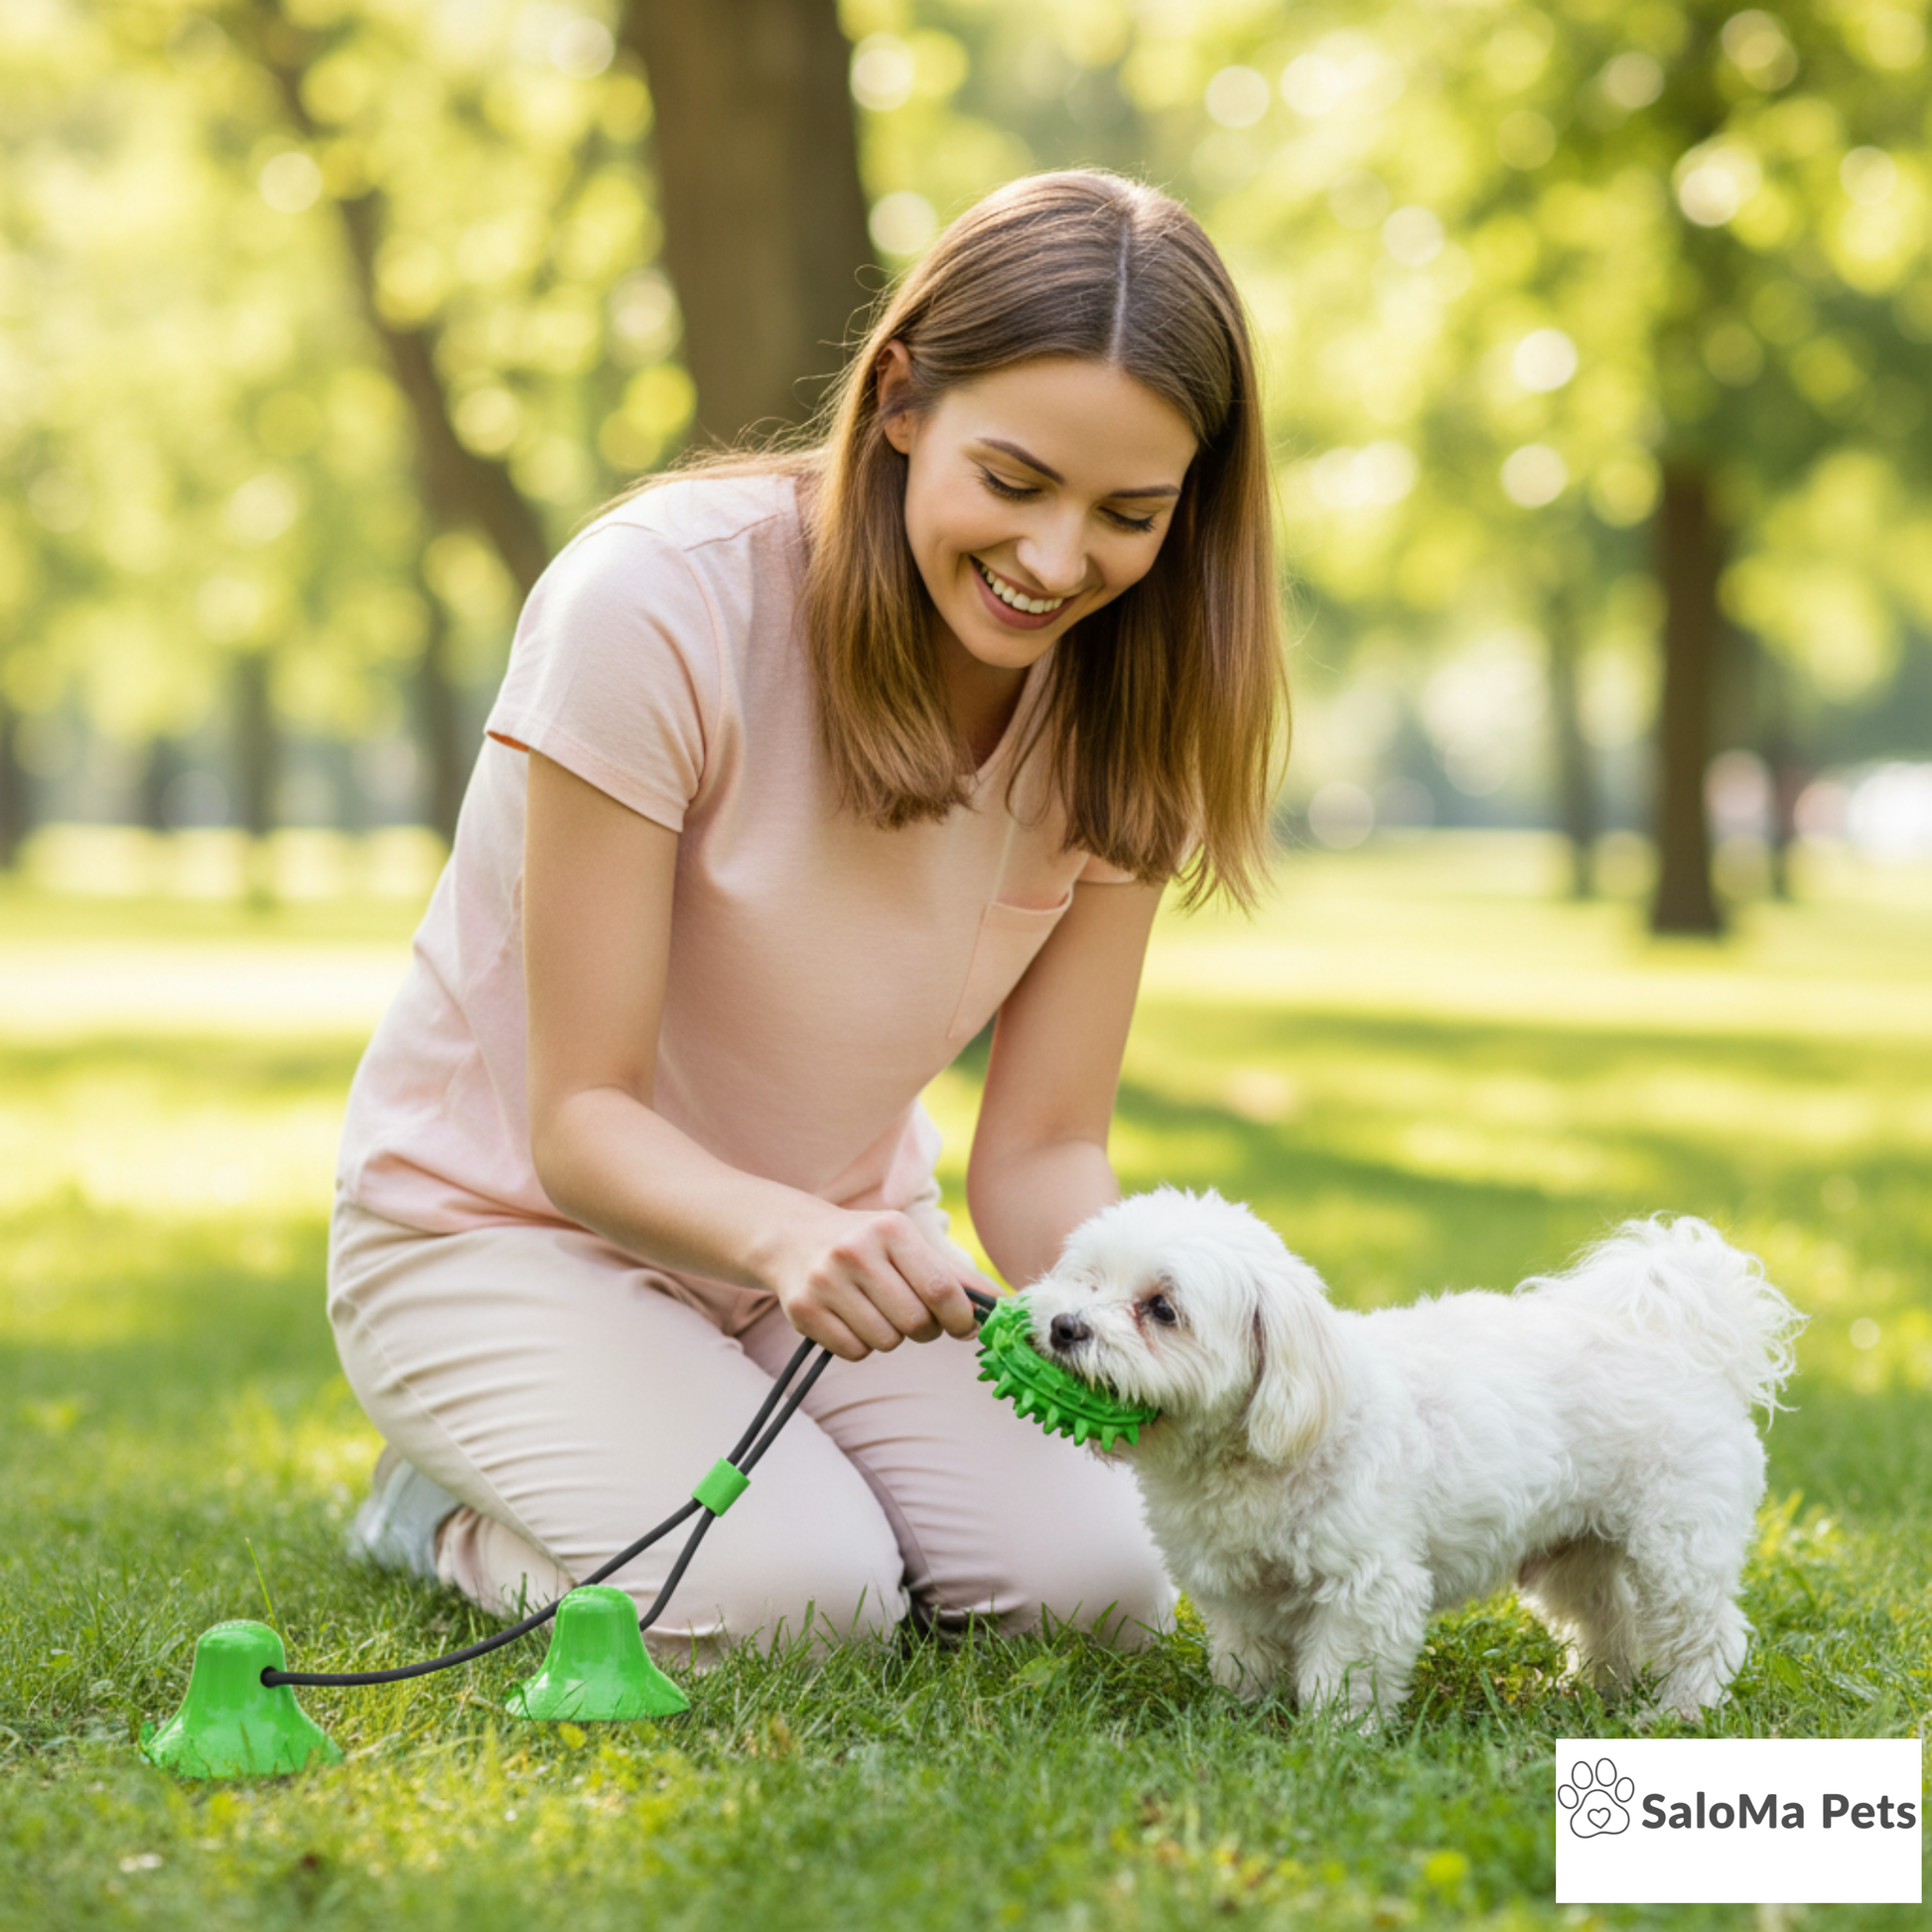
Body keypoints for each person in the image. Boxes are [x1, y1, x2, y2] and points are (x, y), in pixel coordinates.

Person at [328, 170, 1288, 1666]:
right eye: (1013, 481)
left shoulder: (1129, 703)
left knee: (1095, 1595)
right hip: (503, 1231)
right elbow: (579, 1118)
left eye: (1128, 514)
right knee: (799, 1607)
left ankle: (753, 1466)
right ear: (900, 399)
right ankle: (437, 1511)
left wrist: (1180, 1337)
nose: (1056, 563)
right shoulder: (655, 604)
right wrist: (785, 1235)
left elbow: (1041, 1146)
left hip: (846, 1251)